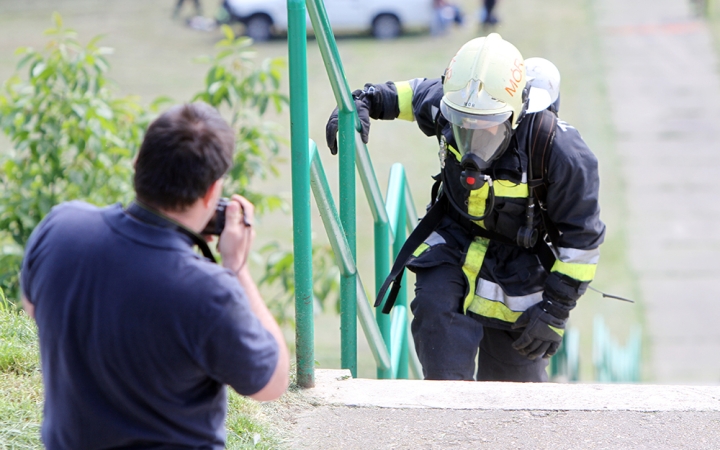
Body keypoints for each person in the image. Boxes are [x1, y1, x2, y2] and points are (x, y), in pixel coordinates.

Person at [325, 34, 604, 382]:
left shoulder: (563, 154)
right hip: (453, 245)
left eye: (486, 127)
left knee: (515, 407)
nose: (471, 140)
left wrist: (553, 313)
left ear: (515, 115)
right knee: (443, 368)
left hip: (522, 269)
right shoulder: (450, 106)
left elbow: (581, 244)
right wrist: (358, 103)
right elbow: (404, 95)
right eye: (461, 125)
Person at [21, 102, 289, 449]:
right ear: (211, 193)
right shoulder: (209, 292)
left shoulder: (60, 227)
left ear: (137, 165)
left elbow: (33, 307)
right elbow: (272, 383)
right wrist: (236, 268)